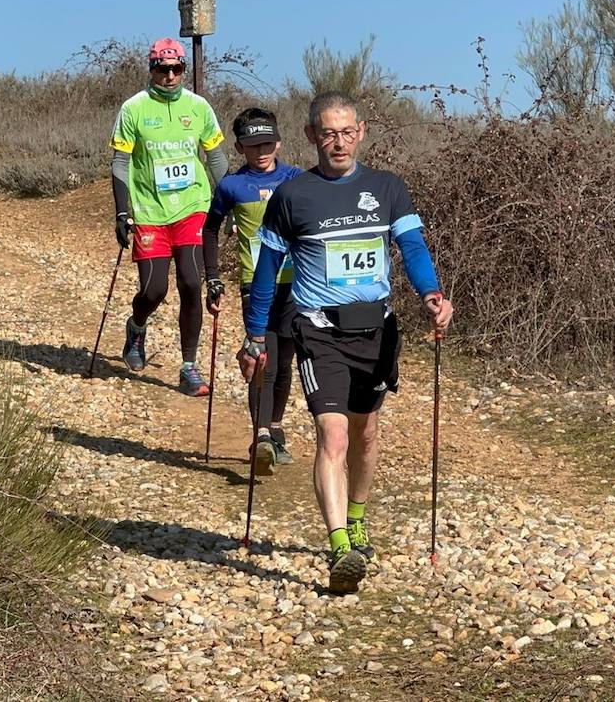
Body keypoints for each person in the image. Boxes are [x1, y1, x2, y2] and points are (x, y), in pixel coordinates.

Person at [237, 91, 454, 594]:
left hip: (376, 329)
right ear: (312, 136)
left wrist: (432, 295)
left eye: (347, 132)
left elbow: (413, 248)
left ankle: (357, 519)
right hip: (318, 330)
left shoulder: (387, 188)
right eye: (328, 133)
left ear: (361, 132)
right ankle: (339, 547)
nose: (339, 142)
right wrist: (255, 333)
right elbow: (267, 271)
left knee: (366, 434)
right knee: (332, 436)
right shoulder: (294, 196)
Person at [110, 37, 228, 396]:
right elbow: (120, 162)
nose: (171, 76)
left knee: (192, 282)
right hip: (149, 210)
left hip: (193, 206)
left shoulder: (199, 107)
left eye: (178, 69)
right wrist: (121, 210)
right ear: (152, 69)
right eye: (164, 69)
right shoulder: (134, 109)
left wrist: (231, 201)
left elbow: (217, 158)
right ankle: (136, 326)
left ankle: (189, 367)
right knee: (153, 289)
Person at [202, 108, 305, 475]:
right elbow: (210, 230)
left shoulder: (297, 179)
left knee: (285, 362)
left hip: (298, 284)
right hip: (254, 285)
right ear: (239, 147)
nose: (260, 151)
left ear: (278, 141)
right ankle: (260, 436)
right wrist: (212, 277)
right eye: (251, 145)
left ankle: (275, 429)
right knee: (265, 360)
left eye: (266, 143)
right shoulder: (232, 185)